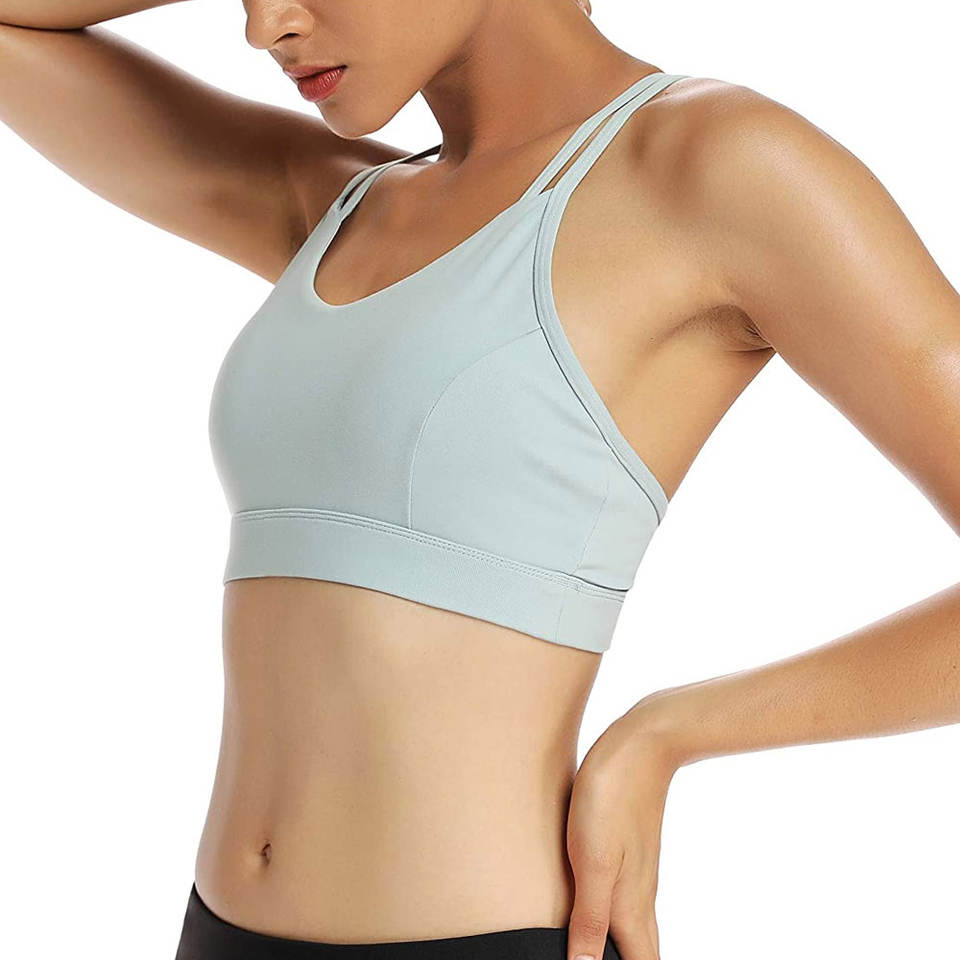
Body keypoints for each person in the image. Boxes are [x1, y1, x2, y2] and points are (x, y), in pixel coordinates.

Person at [2, 2, 958, 959]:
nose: (263, 26)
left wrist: (671, 732)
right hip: (218, 935)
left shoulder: (716, 166)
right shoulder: (338, 201)